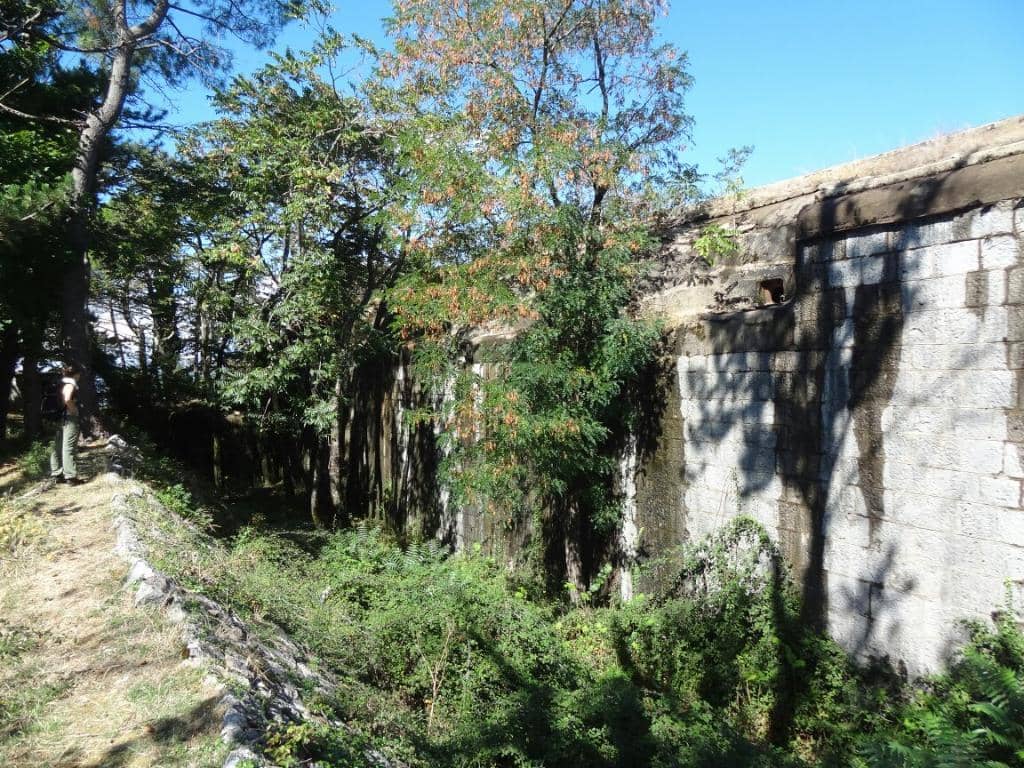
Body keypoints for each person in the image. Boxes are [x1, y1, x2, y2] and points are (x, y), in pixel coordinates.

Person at [49, 363, 84, 485]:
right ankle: (71, 476)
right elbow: (68, 398)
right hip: (69, 418)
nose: (80, 376)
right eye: (79, 374)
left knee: (57, 447)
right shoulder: (70, 384)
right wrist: (73, 410)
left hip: (60, 417)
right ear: (76, 374)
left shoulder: (61, 383)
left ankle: (57, 474)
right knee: (69, 446)